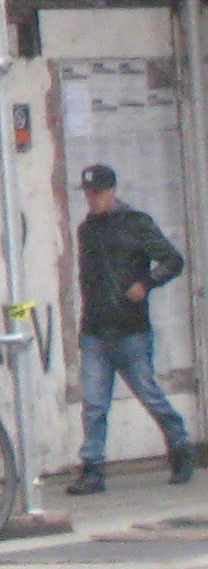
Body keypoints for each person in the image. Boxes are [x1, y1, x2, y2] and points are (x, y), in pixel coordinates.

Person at [71, 163, 193, 495]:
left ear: (112, 191)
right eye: (88, 193)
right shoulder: (87, 230)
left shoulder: (136, 223)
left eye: (97, 192)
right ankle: (92, 468)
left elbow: (172, 260)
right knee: (94, 404)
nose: (92, 199)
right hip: (95, 329)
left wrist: (146, 283)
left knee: (149, 395)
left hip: (130, 329)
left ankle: (180, 445)